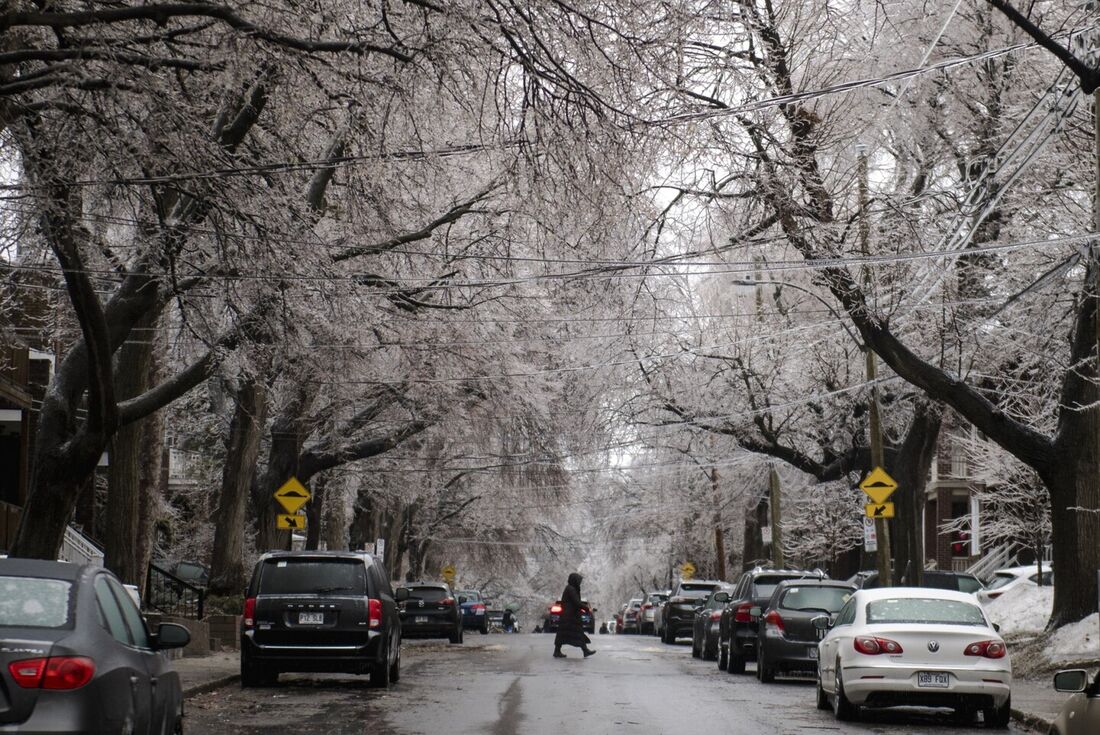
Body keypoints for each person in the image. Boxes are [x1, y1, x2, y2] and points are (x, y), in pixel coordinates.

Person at [553, 572, 595, 658]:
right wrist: (587, 608)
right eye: (579, 581)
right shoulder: (571, 589)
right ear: (574, 581)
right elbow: (576, 602)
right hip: (570, 617)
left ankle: (557, 651)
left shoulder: (570, 588)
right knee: (577, 633)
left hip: (568, 616)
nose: (580, 583)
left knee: (564, 634)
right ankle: (585, 650)